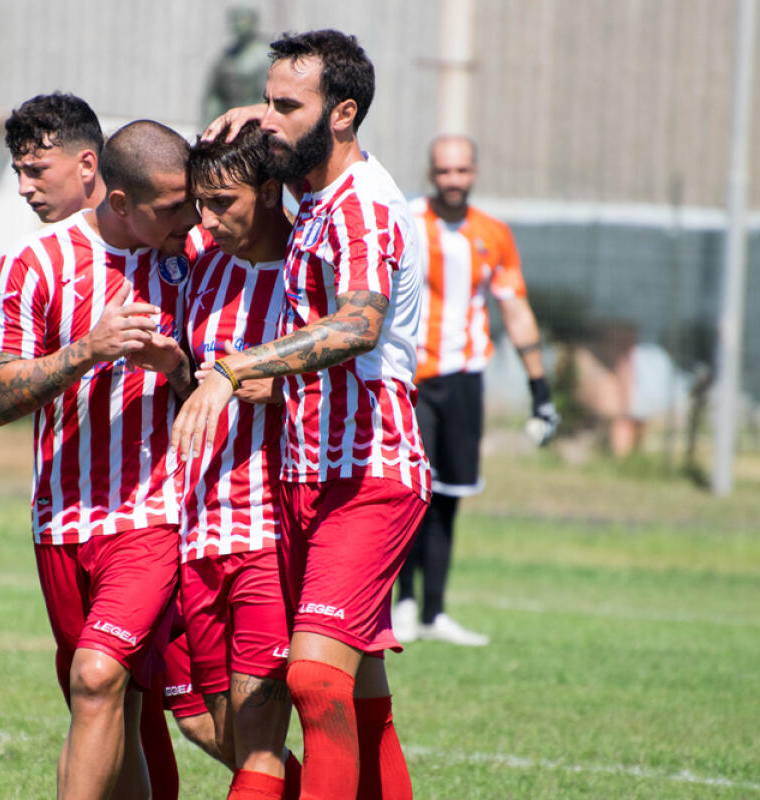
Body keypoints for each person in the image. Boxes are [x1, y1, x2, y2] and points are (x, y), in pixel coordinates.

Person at [182, 29, 430, 800]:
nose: (270, 117)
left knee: (315, 681)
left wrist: (235, 369)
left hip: (369, 474)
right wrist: (246, 115)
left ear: (344, 114)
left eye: (287, 105)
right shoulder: (315, 190)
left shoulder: (361, 209)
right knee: (358, 695)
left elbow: (358, 323)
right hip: (306, 477)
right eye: (268, 99)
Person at [2, 94, 223, 799]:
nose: (191, 220)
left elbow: (212, 382)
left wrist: (179, 369)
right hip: (62, 524)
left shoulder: (195, 259)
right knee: (112, 709)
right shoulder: (37, 263)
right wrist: (86, 351)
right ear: (121, 202)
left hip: (153, 521)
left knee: (99, 679)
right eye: (173, 208)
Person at [393, 135, 561, 647]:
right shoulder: (406, 222)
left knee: (449, 495)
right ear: (431, 172)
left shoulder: (494, 234)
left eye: (462, 170)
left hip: (465, 377)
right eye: (444, 170)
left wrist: (540, 389)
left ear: (474, 173)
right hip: (412, 377)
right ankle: (402, 602)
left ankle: (435, 612)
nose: (453, 180)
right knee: (409, 492)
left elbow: (515, 309)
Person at [181, 120, 302, 800]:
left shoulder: (309, 267)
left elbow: (363, 366)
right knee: (218, 729)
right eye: (201, 202)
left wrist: (285, 387)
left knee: (257, 732)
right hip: (195, 528)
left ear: (269, 191)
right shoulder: (202, 259)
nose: (207, 218)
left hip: (268, 532)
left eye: (222, 201)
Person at [5, 92, 105, 223]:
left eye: (37, 170)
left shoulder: (138, 237)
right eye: (18, 172)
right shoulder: (38, 243)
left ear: (87, 165)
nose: (23, 189)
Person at [203, 6, 272, 127]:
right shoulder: (227, 55)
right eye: (235, 20)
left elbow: (267, 95)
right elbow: (215, 96)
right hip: (227, 119)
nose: (238, 24)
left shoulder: (264, 54)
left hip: (253, 123)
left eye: (242, 20)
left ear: (252, 22)